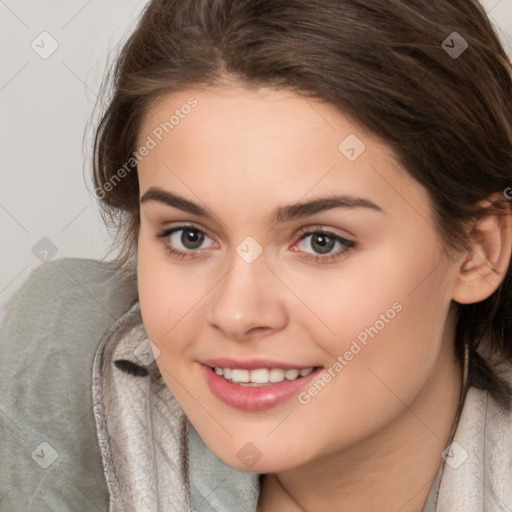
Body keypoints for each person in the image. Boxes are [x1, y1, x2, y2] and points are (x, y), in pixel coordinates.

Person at [1, 0, 512, 510]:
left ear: (477, 251)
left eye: (321, 242)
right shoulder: (61, 355)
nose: (237, 313)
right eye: (189, 236)